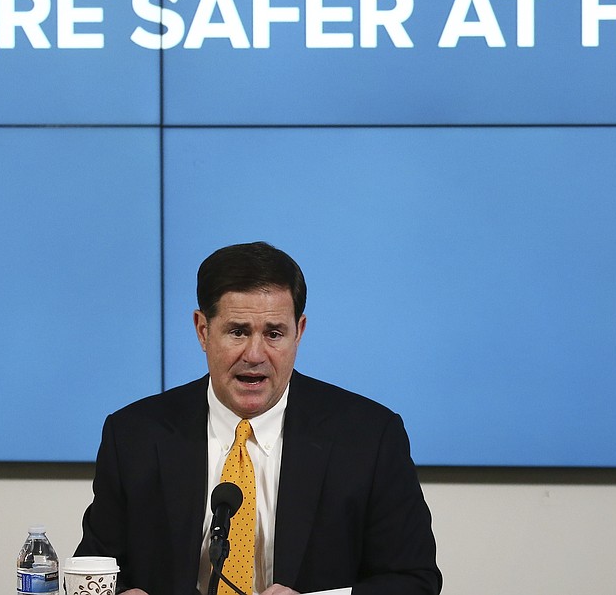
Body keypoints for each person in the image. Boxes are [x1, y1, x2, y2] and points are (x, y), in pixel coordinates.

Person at [76, 241, 442, 595]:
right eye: (238, 331)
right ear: (203, 330)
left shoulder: (369, 438)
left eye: (274, 334)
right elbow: (93, 569)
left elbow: (414, 581)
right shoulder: (134, 436)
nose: (255, 354)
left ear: (298, 332)